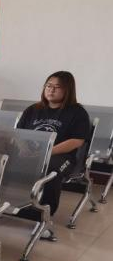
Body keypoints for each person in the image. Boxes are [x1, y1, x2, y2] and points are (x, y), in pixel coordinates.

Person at [16, 71, 90, 237]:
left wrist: (46, 152)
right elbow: (19, 134)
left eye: (57, 87)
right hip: (32, 153)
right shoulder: (33, 110)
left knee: (52, 171)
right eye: (48, 86)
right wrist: (23, 148)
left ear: (67, 90)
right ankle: (10, 205)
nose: (51, 90)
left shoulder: (77, 113)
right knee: (6, 162)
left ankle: (44, 217)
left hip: (62, 156)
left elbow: (77, 141)